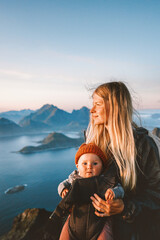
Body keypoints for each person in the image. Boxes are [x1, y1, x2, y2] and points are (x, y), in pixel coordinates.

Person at [85, 81, 160, 240]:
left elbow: (156, 194)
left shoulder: (143, 145)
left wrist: (125, 208)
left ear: (114, 106)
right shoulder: (94, 144)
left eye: (98, 104)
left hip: (131, 231)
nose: (92, 110)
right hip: (94, 227)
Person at [51, 143, 124, 240]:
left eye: (95, 163)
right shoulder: (74, 179)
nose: (89, 166)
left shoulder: (105, 180)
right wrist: (63, 190)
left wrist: (113, 192)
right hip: (74, 223)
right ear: (77, 166)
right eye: (84, 163)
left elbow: (120, 189)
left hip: (100, 224)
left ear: (102, 166)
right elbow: (61, 185)